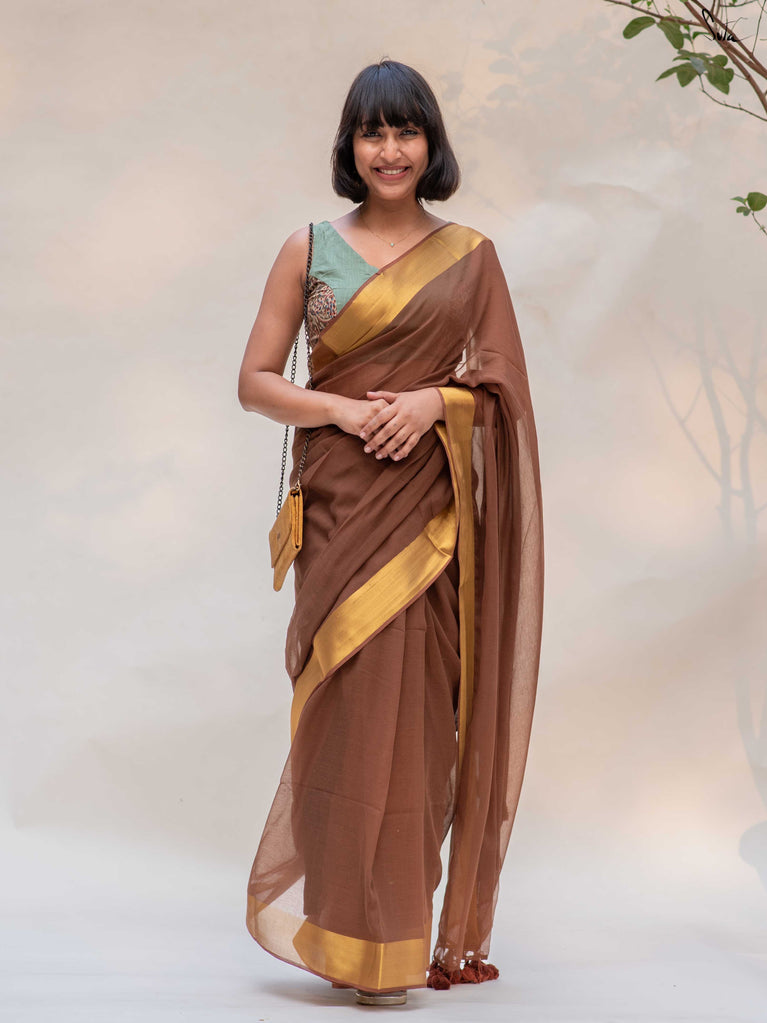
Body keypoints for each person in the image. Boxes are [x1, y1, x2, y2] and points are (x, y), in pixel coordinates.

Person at [237, 58, 544, 1008]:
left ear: (430, 144)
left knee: (413, 725)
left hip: (428, 521)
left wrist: (431, 402)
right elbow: (255, 382)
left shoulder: (471, 256)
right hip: (340, 511)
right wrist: (341, 410)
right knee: (342, 714)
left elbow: (502, 393)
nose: (389, 149)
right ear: (350, 146)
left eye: (406, 131)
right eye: (372, 132)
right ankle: (343, 932)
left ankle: (396, 938)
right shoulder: (307, 248)